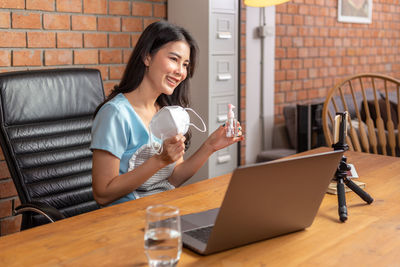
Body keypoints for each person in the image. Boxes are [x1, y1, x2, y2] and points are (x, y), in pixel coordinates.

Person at [90, 20, 244, 206]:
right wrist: (159, 160)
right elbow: (103, 193)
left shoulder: (166, 112)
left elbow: (174, 178)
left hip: (162, 211)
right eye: (174, 59)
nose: (180, 71)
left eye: (186, 64)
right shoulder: (115, 114)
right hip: (125, 219)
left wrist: (210, 146)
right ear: (147, 57)